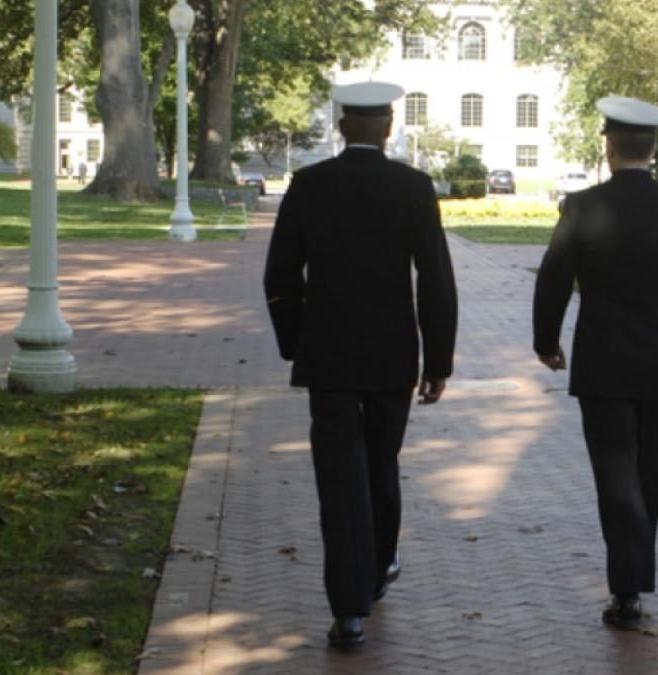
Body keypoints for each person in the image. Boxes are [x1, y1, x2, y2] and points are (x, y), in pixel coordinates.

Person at [263, 81, 458, 650]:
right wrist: (437, 360)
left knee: (339, 481)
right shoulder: (414, 188)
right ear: (389, 127)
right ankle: (373, 575)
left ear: (342, 126)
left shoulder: (309, 185)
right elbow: (436, 280)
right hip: (393, 357)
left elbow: (280, 277)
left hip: (329, 359)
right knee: (380, 464)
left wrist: (296, 343)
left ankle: (349, 612)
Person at [532, 96, 658, 631]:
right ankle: (635, 577)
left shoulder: (582, 206)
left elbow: (553, 279)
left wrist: (545, 341)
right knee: (648, 464)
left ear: (610, 144)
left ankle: (626, 588)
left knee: (615, 472)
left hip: (602, 358)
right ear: (654, 148)